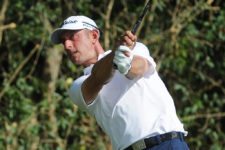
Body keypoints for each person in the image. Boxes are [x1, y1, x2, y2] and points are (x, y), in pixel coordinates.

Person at [51, 15, 189, 150]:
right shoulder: (77, 86)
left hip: (169, 144)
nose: (67, 45)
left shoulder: (136, 49)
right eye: (63, 41)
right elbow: (98, 78)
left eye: (72, 37)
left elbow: (140, 67)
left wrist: (126, 63)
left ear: (94, 36)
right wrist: (115, 57)